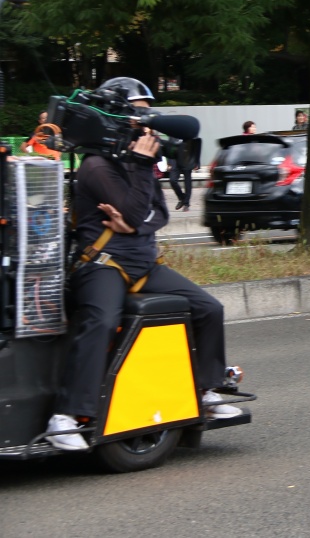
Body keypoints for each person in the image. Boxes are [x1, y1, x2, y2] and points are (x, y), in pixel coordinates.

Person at [46, 77, 240, 452]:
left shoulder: (138, 163)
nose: (145, 124)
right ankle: (66, 416)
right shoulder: (97, 167)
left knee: (208, 308)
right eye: (137, 116)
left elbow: (157, 214)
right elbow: (138, 211)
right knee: (100, 319)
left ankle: (206, 392)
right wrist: (136, 205)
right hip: (101, 264)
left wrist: (133, 222)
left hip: (142, 263)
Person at [167, 141, 197, 212]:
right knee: (172, 180)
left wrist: (196, 162)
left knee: (187, 183)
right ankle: (182, 198)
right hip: (175, 160)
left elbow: (195, 147)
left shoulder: (189, 131)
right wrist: (169, 163)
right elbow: (170, 146)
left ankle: (186, 204)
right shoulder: (173, 132)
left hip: (187, 159)